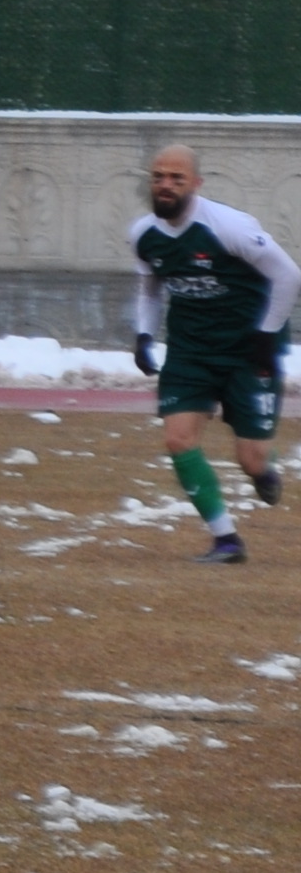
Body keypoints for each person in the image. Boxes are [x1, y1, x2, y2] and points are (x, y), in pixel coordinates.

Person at [130, 143, 295, 566]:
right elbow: (150, 287)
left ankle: (263, 469)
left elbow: (288, 275)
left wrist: (266, 333)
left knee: (251, 458)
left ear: (196, 184)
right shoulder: (143, 236)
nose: (166, 185)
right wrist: (145, 335)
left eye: (176, 178)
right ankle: (227, 541)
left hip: (247, 349)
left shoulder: (229, 227)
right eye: (159, 176)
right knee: (177, 438)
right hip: (191, 351)